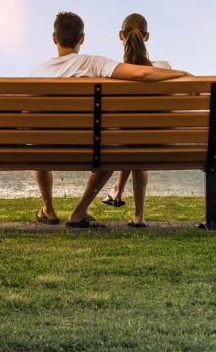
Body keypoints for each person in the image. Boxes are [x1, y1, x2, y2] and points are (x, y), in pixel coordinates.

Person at [30, 12, 190, 228]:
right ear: (82, 39)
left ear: (54, 38)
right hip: (90, 148)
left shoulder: (37, 72)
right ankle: (78, 212)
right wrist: (182, 73)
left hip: (42, 150)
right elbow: (142, 74)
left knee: (38, 140)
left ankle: (48, 209)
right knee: (109, 153)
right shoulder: (94, 63)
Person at [101, 13, 172, 227]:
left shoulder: (112, 72)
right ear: (147, 37)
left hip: (118, 141)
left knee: (131, 135)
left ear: (120, 36)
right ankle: (138, 213)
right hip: (158, 142)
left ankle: (117, 190)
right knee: (139, 137)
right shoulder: (164, 68)